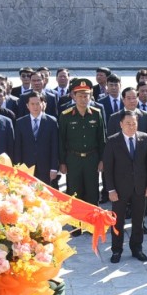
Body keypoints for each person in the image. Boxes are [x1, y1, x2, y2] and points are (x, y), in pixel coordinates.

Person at [102, 111, 147, 263]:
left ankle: (137, 248)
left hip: (140, 187)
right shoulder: (113, 141)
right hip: (119, 189)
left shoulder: (144, 138)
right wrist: (110, 189)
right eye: (128, 124)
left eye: (134, 124)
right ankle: (116, 250)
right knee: (117, 222)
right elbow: (108, 167)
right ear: (121, 124)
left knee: (139, 221)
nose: (131, 127)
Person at [58, 78, 105, 210]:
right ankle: (76, 227)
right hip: (73, 159)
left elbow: (102, 138)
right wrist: (62, 162)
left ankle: (92, 224)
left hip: (92, 158)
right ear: (74, 96)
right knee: (74, 192)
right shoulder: (65, 115)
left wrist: (102, 160)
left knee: (92, 191)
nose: (83, 99)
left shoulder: (96, 114)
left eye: (86, 96)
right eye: (80, 96)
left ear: (91, 96)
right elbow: (61, 140)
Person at [14, 92, 60, 185]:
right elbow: (17, 147)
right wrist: (17, 167)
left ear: (43, 104)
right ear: (27, 105)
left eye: (38, 103)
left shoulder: (52, 122)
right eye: (32, 104)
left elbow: (55, 146)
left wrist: (54, 168)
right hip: (26, 167)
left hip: (46, 167)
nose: (35, 107)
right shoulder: (20, 123)